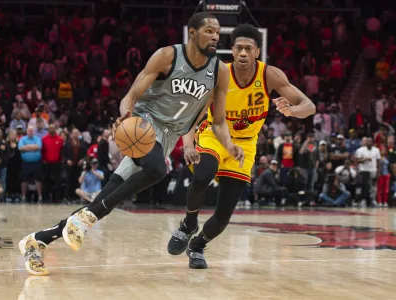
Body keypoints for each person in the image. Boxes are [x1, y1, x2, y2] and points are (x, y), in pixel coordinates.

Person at [19, 12, 244, 276]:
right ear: (192, 33)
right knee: (158, 170)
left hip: (169, 136)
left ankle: (37, 241)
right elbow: (131, 95)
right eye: (209, 31)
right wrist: (125, 115)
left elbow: (218, 122)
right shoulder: (167, 56)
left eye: (218, 33)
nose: (216, 37)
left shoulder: (219, 71)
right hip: (145, 124)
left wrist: (228, 145)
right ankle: (87, 217)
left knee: (104, 202)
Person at [167, 24, 315, 269]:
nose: (244, 53)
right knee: (203, 173)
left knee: (224, 215)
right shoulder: (218, 74)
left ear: (257, 51)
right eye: (239, 48)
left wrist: (292, 111)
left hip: (245, 145)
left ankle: (197, 246)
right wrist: (188, 144)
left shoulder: (270, 75)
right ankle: (188, 224)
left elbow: (309, 105)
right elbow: (193, 112)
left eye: (249, 48)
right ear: (232, 51)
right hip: (215, 134)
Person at [18, 126, 43, 203]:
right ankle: (23, 197)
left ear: (34, 132)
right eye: (29, 131)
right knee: (24, 180)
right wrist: (33, 148)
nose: (30, 132)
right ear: (27, 131)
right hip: (26, 164)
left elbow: (38, 147)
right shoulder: (22, 139)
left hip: (36, 163)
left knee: (38, 180)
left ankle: (40, 197)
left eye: (32, 131)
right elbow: (20, 148)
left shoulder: (38, 139)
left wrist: (26, 147)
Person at [355, 137, 380, 207]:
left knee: (373, 186)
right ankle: (363, 200)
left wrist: (378, 171)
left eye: (370, 141)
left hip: (373, 170)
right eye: (367, 141)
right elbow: (357, 161)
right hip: (364, 170)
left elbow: (378, 162)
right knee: (364, 186)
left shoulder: (376, 150)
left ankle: (373, 200)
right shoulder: (361, 150)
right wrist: (364, 159)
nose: (369, 142)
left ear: (372, 142)